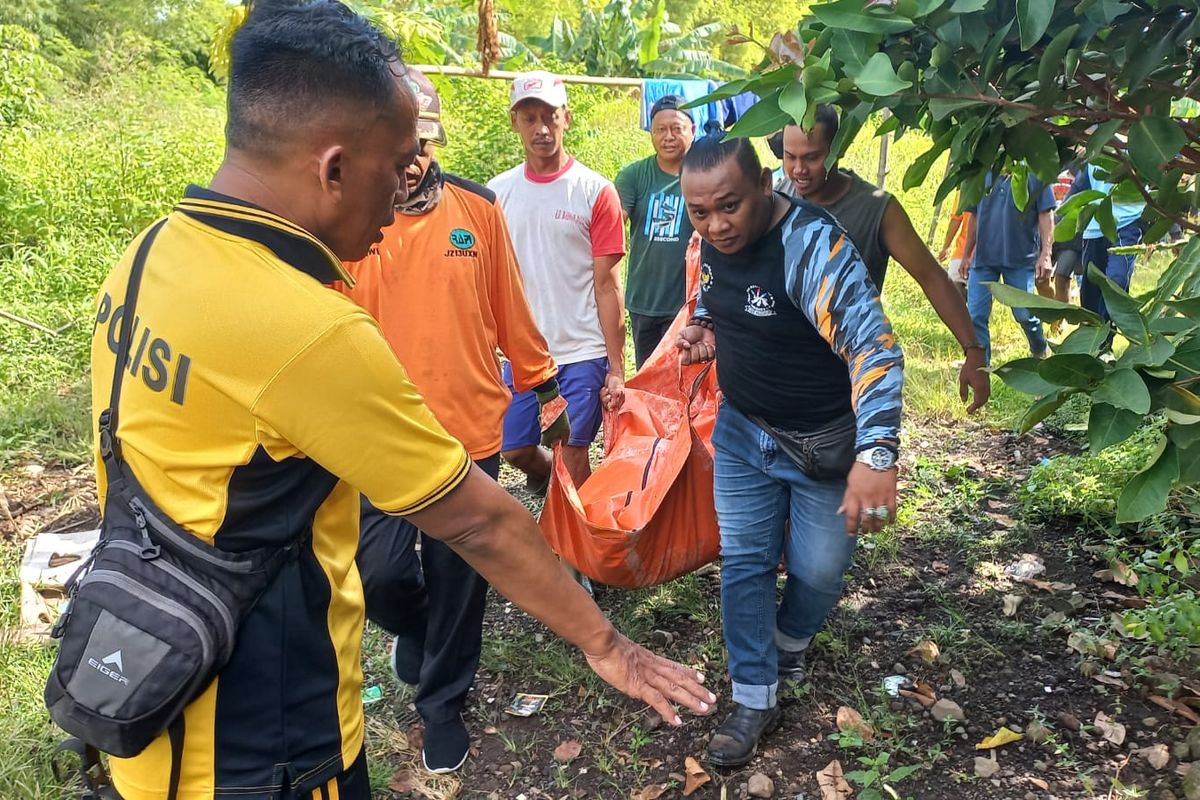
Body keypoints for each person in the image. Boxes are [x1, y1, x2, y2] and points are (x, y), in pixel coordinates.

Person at [83, 6, 712, 798]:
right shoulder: (305, 327)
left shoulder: (147, 256)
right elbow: (480, 521)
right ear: (333, 167)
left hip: (144, 683)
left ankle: (442, 687)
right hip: (265, 738)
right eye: (392, 169)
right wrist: (609, 645)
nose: (395, 206)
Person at [335, 69, 566, 773]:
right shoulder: (346, 219)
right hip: (376, 431)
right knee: (375, 573)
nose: (412, 160)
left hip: (466, 428)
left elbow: (510, 307)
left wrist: (546, 388)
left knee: (459, 569)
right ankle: (419, 628)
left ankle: (442, 702)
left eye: (421, 142)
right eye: (397, 144)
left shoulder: (476, 208)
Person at [676, 135, 903, 767]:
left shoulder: (813, 247)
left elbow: (875, 349)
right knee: (744, 562)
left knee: (819, 572)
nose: (717, 225)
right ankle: (754, 696)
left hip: (822, 449)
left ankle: (790, 639)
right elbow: (712, 291)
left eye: (730, 207)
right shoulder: (708, 243)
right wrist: (702, 326)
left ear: (764, 189)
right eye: (701, 212)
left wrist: (876, 456)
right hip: (744, 432)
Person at [769, 109, 988, 411]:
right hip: (779, 374)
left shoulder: (877, 210)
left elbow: (931, 276)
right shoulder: (774, 200)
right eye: (789, 157)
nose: (798, 170)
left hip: (848, 378)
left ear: (839, 149)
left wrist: (973, 350)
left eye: (811, 157)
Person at [488, 71, 628, 491]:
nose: (541, 128)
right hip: (522, 352)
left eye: (549, 116)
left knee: (572, 451)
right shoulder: (496, 195)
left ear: (566, 117)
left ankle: (579, 547)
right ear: (515, 123)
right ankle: (549, 482)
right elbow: (488, 278)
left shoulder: (594, 191)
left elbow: (608, 285)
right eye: (529, 118)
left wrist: (616, 367)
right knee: (514, 448)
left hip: (581, 348)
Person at [614, 94, 696, 367]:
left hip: (687, 304)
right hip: (644, 300)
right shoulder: (634, 176)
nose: (668, 136)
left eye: (677, 128)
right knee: (647, 382)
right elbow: (614, 223)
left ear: (692, 131)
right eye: (660, 129)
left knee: (685, 384)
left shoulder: (703, 174)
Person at [960, 170, 1054, 364]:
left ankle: (1040, 349)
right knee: (975, 315)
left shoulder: (1035, 171)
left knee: (1025, 315)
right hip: (984, 257)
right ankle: (981, 369)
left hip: (1020, 258)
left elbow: (1046, 214)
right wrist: (966, 254)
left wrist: (1046, 254)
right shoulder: (982, 171)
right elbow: (974, 217)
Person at [1068, 162, 1146, 322]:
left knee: (1116, 281)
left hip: (1126, 224)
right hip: (1093, 230)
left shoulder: (1135, 147)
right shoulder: (1093, 155)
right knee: (1091, 291)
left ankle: (1107, 333)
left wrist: (1173, 231)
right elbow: (1077, 189)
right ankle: (1096, 338)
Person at [936, 194, 970, 302]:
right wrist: (946, 246)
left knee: (979, 300)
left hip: (987, 255)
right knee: (951, 290)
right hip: (962, 250)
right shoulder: (965, 186)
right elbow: (956, 218)